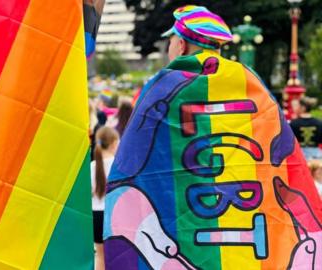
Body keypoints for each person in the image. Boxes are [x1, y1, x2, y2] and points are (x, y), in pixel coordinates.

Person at [104, 5, 322, 269]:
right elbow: (284, 157)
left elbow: (130, 164)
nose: (170, 47)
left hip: (183, 229)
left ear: (181, 45)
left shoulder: (160, 88)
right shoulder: (251, 84)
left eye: (171, 40)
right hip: (248, 236)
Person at [91, 126, 119, 270]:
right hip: (113, 215)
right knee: (117, 254)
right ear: (114, 143)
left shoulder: (91, 166)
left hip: (95, 215)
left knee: (99, 255)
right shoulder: (117, 165)